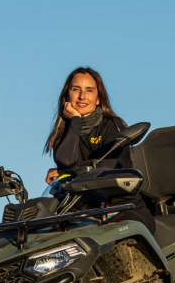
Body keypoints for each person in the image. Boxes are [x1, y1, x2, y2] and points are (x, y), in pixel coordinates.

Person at [43, 67, 155, 233]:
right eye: (76, 89)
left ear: (98, 99)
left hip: (121, 210)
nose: (82, 96)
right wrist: (75, 122)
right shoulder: (67, 130)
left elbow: (103, 169)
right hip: (80, 212)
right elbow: (65, 160)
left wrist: (66, 171)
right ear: (67, 96)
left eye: (89, 90)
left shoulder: (112, 126)